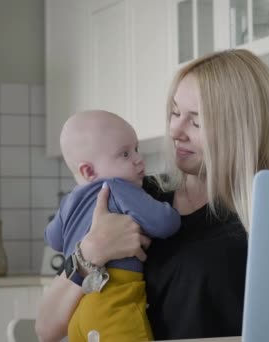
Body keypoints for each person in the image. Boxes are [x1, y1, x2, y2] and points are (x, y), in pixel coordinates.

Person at [35, 49, 269, 342]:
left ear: (241, 129)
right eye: (174, 113)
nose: (175, 130)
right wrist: (90, 251)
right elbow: (46, 330)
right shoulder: (133, 194)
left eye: (196, 121)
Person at [45, 110, 181, 342]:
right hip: (111, 302)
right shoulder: (119, 188)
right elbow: (165, 224)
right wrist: (170, 211)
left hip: (77, 310)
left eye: (136, 149)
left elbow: (54, 239)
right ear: (89, 171)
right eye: (125, 154)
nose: (139, 159)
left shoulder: (69, 201)